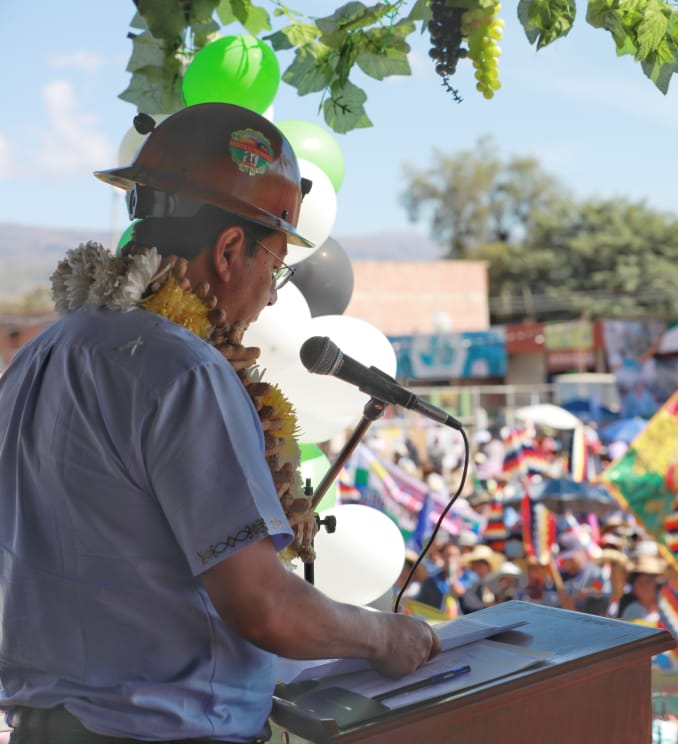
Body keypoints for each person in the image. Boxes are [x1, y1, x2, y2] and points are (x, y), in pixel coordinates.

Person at [0, 104, 440, 743]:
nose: (269, 296)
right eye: (275, 267)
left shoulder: (40, 352)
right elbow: (260, 603)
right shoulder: (185, 371)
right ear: (231, 249)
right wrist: (383, 634)